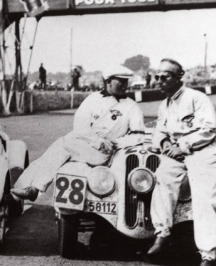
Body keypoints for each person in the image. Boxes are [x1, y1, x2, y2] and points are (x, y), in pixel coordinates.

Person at [147, 58, 216, 266]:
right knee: (162, 178)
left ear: (178, 78)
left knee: (205, 198)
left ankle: (208, 256)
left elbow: (209, 129)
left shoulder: (197, 98)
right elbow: (160, 131)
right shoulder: (164, 105)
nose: (159, 81)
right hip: (177, 154)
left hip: (203, 153)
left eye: (165, 77)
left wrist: (182, 145)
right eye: (157, 77)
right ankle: (162, 233)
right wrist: (165, 143)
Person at [11, 66, 145, 201]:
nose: (124, 85)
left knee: (58, 149)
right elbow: (80, 126)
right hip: (83, 143)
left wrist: (115, 143)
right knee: (48, 157)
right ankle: (22, 191)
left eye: (126, 81)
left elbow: (138, 135)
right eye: (120, 81)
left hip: (102, 152)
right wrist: (97, 141)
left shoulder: (132, 106)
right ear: (108, 81)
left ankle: (30, 190)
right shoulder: (93, 98)